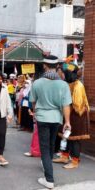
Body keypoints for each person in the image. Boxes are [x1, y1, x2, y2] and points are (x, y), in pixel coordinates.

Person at [30, 55, 72, 189]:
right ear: (57, 66)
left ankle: (49, 179)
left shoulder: (37, 83)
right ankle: (46, 163)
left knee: (44, 147)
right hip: (56, 119)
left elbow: (34, 102)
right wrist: (67, 122)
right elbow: (66, 105)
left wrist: (35, 113)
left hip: (42, 117)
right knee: (51, 144)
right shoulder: (63, 84)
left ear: (44, 65)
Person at [53, 63, 90, 169]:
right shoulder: (68, 84)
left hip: (77, 116)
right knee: (67, 136)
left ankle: (75, 160)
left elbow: (77, 105)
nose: (62, 75)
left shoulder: (78, 85)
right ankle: (65, 156)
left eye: (64, 73)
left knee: (74, 139)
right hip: (69, 114)